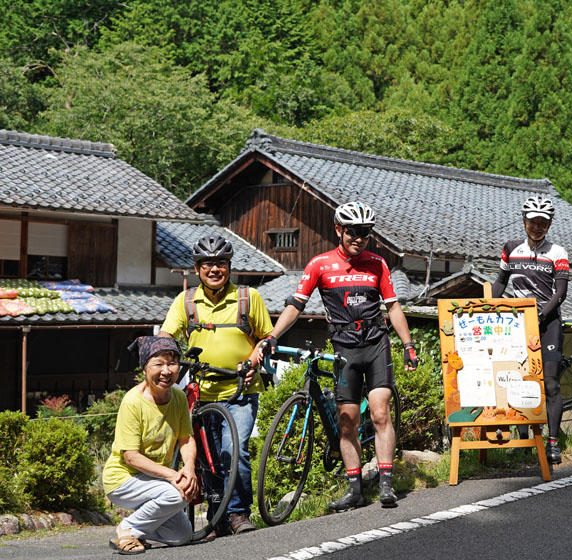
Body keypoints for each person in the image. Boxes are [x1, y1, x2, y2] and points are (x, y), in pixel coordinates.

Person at [264, 201, 418, 511]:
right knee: (347, 421)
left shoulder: (378, 264)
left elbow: (393, 307)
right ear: (339, 230)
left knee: (379, 412)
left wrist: (408, 344)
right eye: (352, 232)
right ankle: (355, 490)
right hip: (344, 349)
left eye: (365, 232)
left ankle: (386, 483)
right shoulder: (319, 265)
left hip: (375, 343)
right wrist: (272, 335)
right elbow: (296, 305)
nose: (358, 238)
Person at [160, 235, 273, 535]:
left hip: (241, 391)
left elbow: (266, 339)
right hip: (202, 393)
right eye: (207, 264)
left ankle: (237, 514)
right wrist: (165, 358)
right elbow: (167, 336)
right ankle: (217, 515)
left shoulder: (249, 298)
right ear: (197, 269)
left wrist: (253, 361)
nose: (214, 269)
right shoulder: (185, 302)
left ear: (229, 267)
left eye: (221, 263)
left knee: (233, 450)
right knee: (207, 460)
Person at [492, 195, 569, 463]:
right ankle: (524, 438)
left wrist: (539, 316)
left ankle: (552, 442)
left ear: (549, 224)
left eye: (543, 223)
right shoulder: (511, 248)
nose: (538, 227)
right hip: (516, 324)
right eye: (533, 222)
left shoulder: (557, 252)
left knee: (549, 383)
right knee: (516, 381)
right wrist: (490, 308)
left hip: (548, 323)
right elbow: (500, 281)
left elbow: (560, 292)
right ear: (524, 221)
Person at [103, 336, 198, 554]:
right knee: (176, 494)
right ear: (144, 369)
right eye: (158, 364)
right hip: (122, 479)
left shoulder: (178, 397)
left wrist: (189, 468)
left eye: (172, 363)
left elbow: (186, 438)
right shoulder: (133, 402)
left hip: (153, 479)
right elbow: (131, 457)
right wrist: (172, 475)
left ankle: (137, 531)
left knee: (182, 536)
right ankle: (127, 529)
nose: (166, 371)